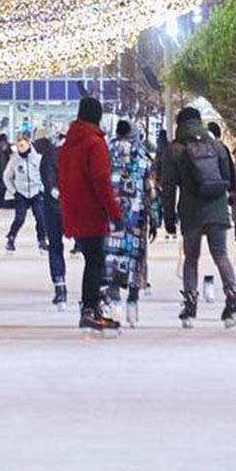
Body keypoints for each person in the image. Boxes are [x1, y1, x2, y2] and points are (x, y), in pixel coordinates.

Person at [160, 107, 236, 329]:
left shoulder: (174, 149)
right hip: (217, 208)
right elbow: (230, 179)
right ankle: (233, 301)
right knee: (221, 255)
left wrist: (168, 218)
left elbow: (168, 188)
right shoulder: (217, 146)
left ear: (179, 124)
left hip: (191, 210)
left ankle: (190, 307)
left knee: (191, 258)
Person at [56, 96, 122, 333]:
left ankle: (91, 308)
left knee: (91, 260)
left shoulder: (68, 145)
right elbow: (101, 182)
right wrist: (114, 214)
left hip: (73, 211)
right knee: (95, 261)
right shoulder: (94, 143)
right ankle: (90, 311)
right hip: (92, 212)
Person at [104, 120, 153, 325]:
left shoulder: (106, 153)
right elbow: (151, 189)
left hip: (111, 216)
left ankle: (114, 302)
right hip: (136, 218)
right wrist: (155, 218)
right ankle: (132, 304)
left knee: (111, 259)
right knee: (135, 260)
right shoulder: (143, 157)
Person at [33, 125, 67, 305]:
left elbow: (48, 183)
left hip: (54, 208)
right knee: (89, 247)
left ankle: (60, 286)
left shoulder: (50, 156)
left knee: (55, 246)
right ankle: (97, 287)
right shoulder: (79, 154)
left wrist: (58, 195)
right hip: (76, 208)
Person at [2, 135, 43, 252]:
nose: (21, 148)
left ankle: (42, 240)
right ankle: (11, 238)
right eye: (19, 146)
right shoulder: (14, 160)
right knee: (19, 218)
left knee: (40, 217)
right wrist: (14, 192)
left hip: (36, 192)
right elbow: (7, 177)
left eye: (23, 145)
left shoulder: (37, 159)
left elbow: (44, 174)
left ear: (29, 144)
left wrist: (41, 188)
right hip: (21, 193)